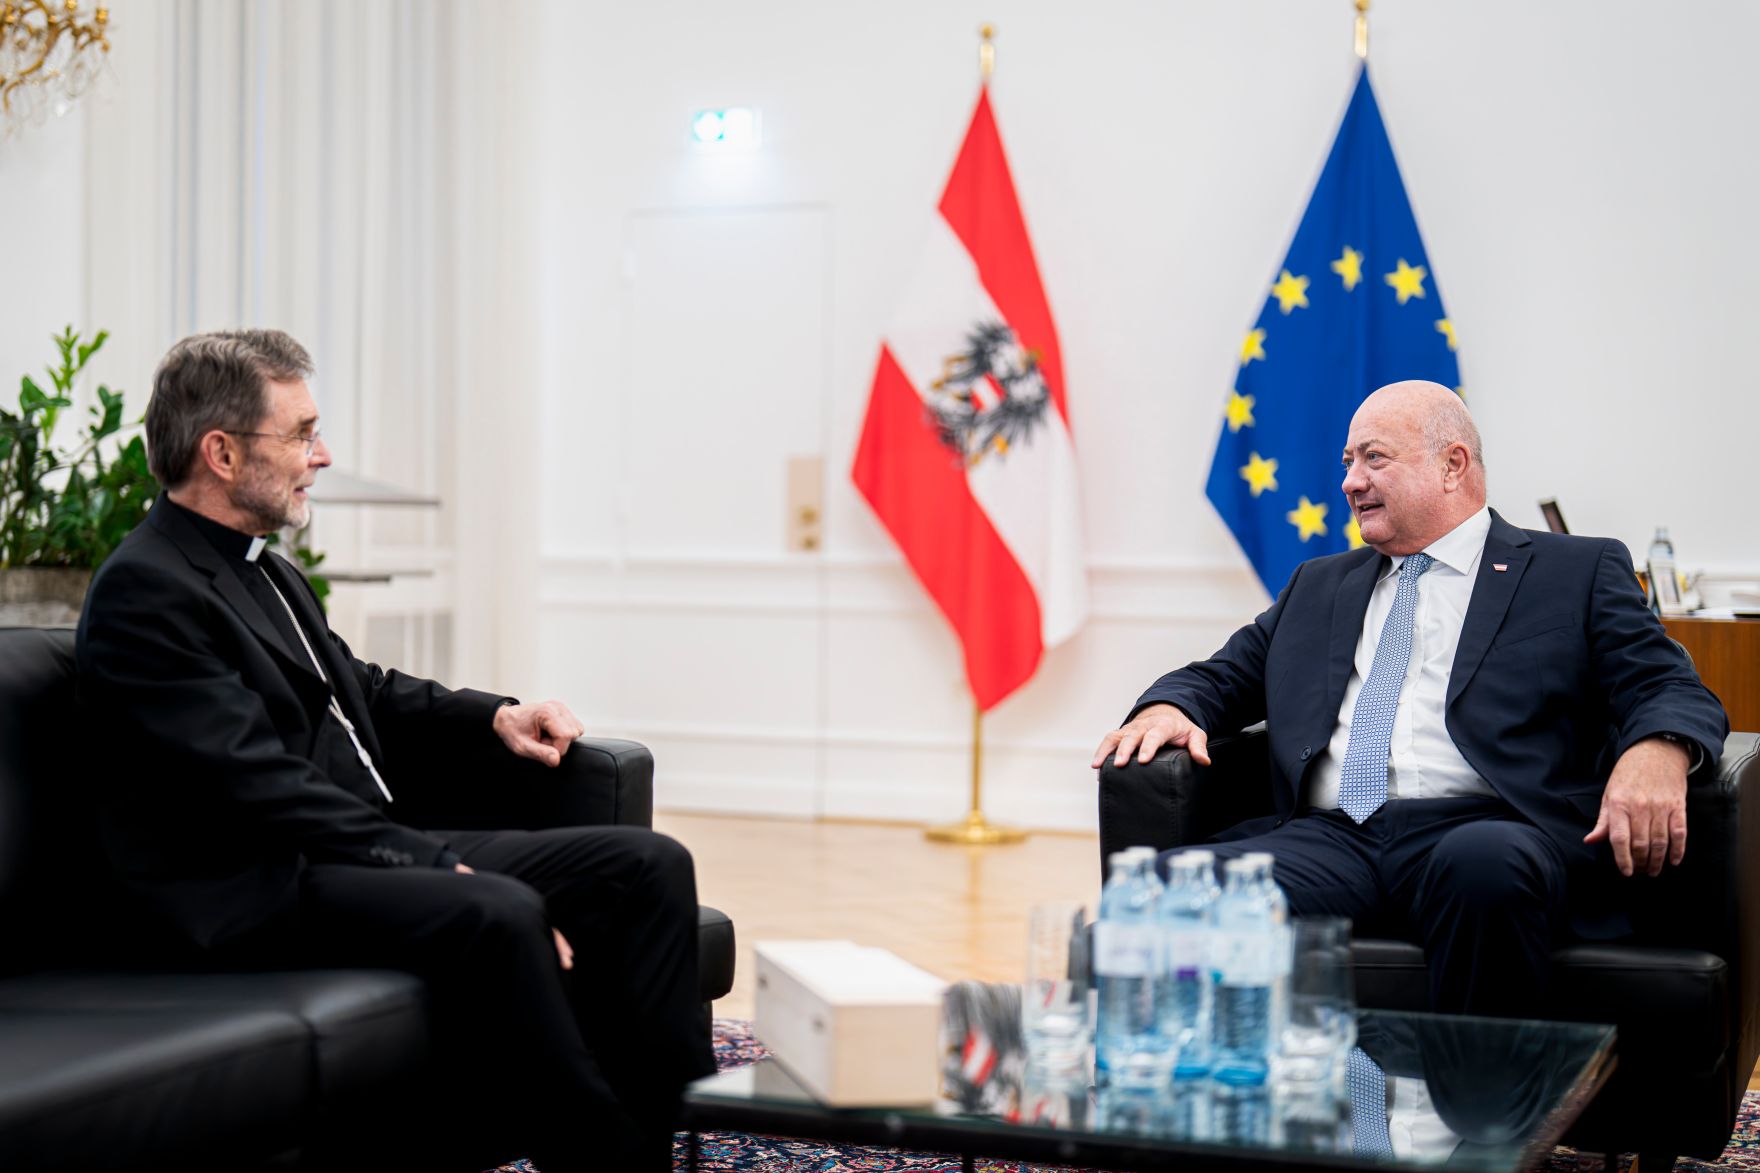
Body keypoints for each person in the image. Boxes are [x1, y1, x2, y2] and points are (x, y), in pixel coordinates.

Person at [76, 329, 713, 1172]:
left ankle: (664, 1142)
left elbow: (361, 689)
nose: (323, 454)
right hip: (256, 885)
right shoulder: (145, 588)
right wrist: (431, 860)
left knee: (651, 866)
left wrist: (497, 719)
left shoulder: (265, 568)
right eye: (301, 433)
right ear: (222, 452)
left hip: (348, 856)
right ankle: (605, 1159)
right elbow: (256, 782)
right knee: (501, 908)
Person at [1091, 380, 1727, 1017]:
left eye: (1374, 458)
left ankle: (1481, 1108)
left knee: (1483, 867)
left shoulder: (1574, 571)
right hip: (1335, 837)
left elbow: (1665, 683)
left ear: (1452, 465)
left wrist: (1658, 750)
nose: (1350, 482)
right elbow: (1223, 676)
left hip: (1487, 827)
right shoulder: (1319, 584)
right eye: (1347, 463)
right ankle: (1214, 1107)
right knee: (1173, 890)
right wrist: (1168, 708)